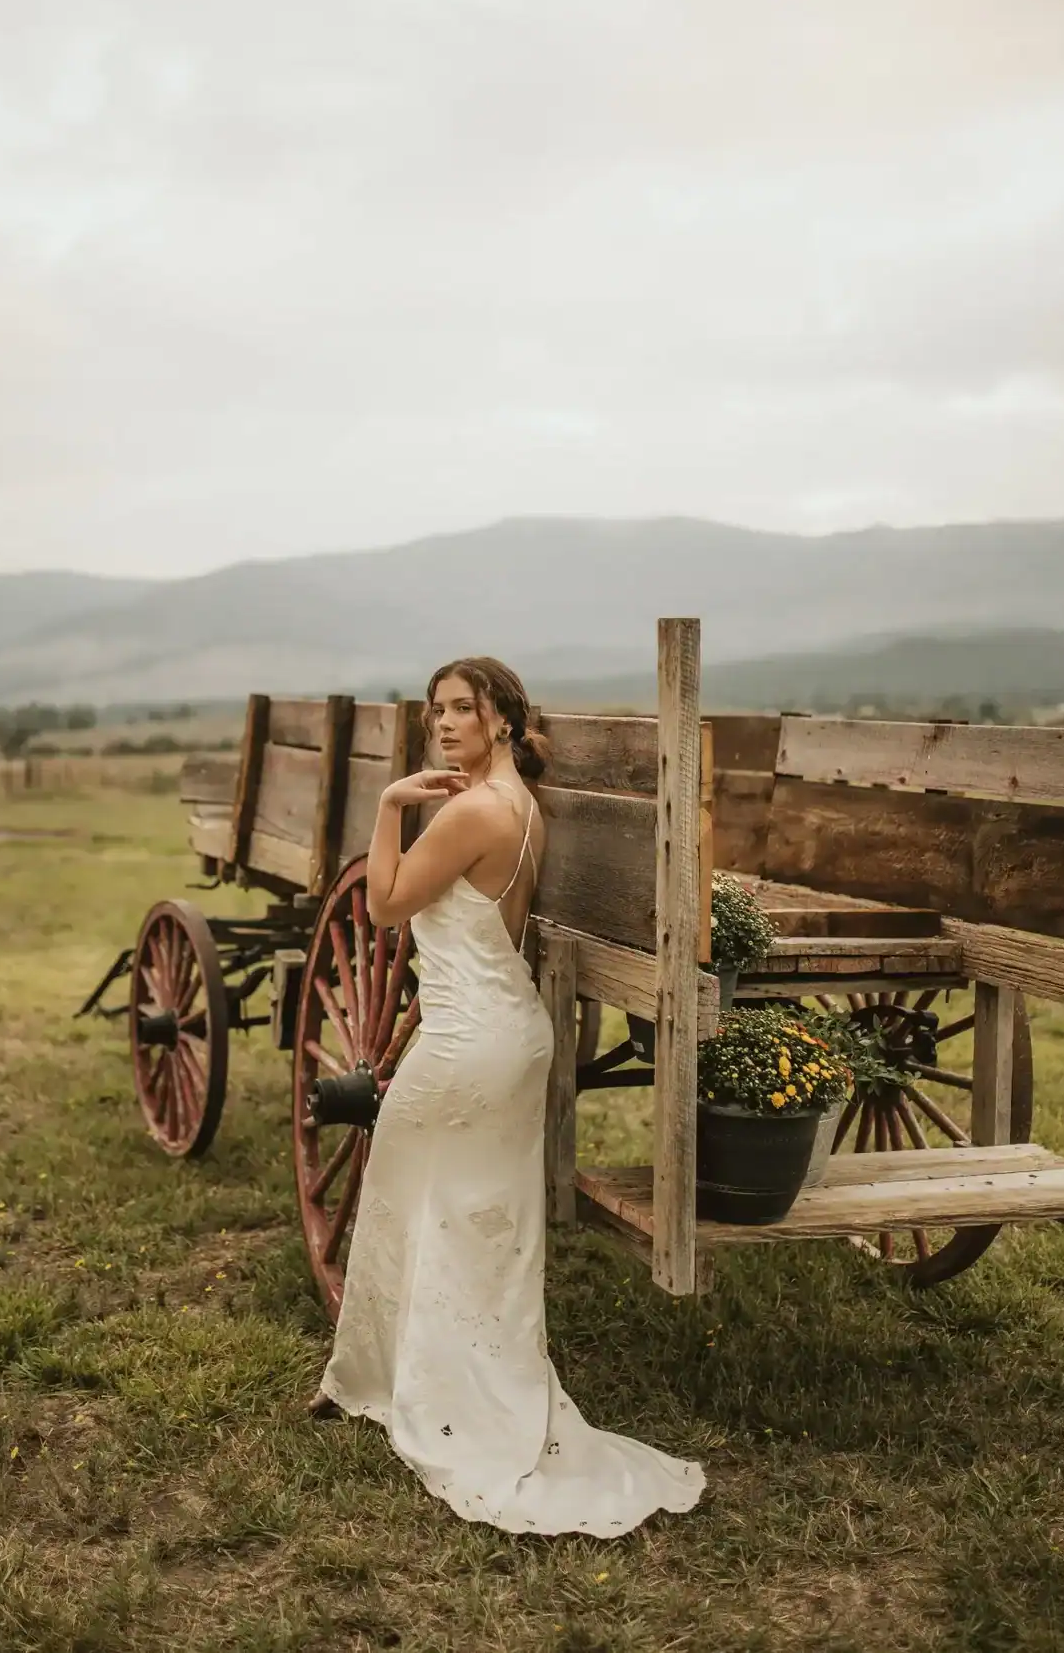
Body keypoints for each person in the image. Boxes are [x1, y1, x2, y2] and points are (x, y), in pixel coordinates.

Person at [307, 656, 704, 1537]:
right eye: (436, 710)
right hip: (509, 1034)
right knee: (479, 1227)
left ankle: (427, 1397)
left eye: (463, 709)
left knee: (417, 1209)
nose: (444, 724)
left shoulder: (473, 811)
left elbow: (381, 906)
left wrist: (386, 807)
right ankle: (431, 1382)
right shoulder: (521, 807)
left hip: (464, 1047)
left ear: (503, 721)